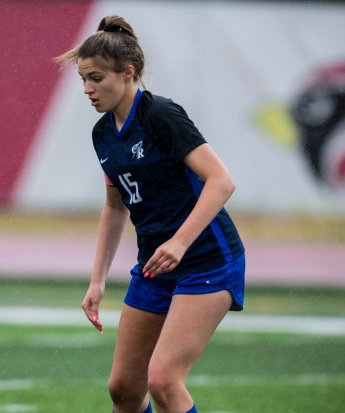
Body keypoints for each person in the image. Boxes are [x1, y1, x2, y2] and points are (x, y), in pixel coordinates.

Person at [54, 15, 246, 413]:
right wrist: (97, 281)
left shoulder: (161, 115)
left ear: (128, 72)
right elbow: (114, 206)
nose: (88, 89)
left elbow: (221, 182)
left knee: (163, 381)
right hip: (155, 266)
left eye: (97, 78)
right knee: (124, 389)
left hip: (207, 260)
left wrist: (179, 241)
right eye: (83, 80)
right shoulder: (102, 133)